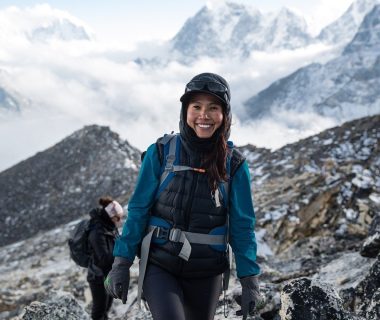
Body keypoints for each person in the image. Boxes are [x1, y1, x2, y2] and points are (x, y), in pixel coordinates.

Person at [105, 73, 262, 320]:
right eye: (196, 107)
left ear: (225, 115)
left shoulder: (234, 165)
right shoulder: (161, 152)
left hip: (207, 272)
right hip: (160, 265)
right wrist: (121, 263)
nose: (204, 115)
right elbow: (138, 210)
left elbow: (242, 226)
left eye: (213, 108)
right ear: (185, 112)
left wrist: (250, 280)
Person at [87, 196, 124, 320]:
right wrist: (121, 254)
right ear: (110, 216)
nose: (119, 221)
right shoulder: (97, 231)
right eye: (117, 218)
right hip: (98, 277)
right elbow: (104, 258)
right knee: (99, 309)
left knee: (107, 306)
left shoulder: (109, 227)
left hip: (108, 275)